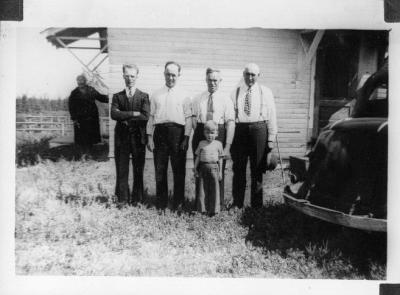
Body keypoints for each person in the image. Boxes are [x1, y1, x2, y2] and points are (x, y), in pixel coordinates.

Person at [230, 63, 278, 209]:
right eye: (247, 74)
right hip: (240, 131)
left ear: (258, 76)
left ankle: (256, 207)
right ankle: (237, 205)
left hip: (259, 130)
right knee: (239, 169)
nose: (250, 78)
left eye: (253, 75)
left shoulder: (265, 92)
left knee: (257, 170)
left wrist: (271, 139)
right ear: (243, 74)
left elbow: (272, 116)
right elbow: (231, 117)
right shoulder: (236, 91)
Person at [146, 61, 192, 210]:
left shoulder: (185, 95)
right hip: (160, 133)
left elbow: (189, 119)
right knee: (160, 169)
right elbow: (151, 117)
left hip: (178, 134)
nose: (170, 78)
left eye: (173, 75)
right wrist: (149, 137)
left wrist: (186, 138)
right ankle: (161, 203)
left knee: (178, 170)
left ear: (179, 75)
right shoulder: (156, 94)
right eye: (168, 74)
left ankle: (178, 203)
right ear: (164, 74)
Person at [191, 68, 235, 210]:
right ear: (206, 79)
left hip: (219, 133)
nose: (212, 83)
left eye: (215, 80)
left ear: (220, 81)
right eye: (210, 79)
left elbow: (230, 123)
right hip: (201, 131)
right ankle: (201, 205)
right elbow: (193, 118)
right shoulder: (198, 98)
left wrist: (227, 146)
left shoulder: (226, 99)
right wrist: (199, 133)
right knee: (200, 168)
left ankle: (217, 205)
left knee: (217, 171)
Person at [111, 64, 150, 205]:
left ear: (137, 77)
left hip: (138, 137)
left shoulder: (144, 96)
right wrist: (134, 113)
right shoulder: (117, 96)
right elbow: (114, 114)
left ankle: (137, 199)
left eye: (132, 76)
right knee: (122, 168)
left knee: (138, 169)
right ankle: (122, 199)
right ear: (123, 76)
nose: (130, 79)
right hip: (121, 138)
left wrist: (124, 116)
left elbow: (145, 116)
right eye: (127, 76)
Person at [68, 74, 109, 155]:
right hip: (80, 119)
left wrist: (111, 98)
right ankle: (83, 155)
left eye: (82, 80)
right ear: (77, 82)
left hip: (91, 118)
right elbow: (71, 107)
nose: (80, 82)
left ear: (85, 81)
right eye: (79, 80)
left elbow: (101, 97)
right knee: (81, 138)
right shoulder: (74, 93)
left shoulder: (91, 90)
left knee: (91, 137)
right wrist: (74, 118)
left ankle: (90, 154)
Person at [193, 120, 224, 216]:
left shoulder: (218, 144)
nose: (210, 135)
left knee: (214, 189)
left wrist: (220, 172)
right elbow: (198, 156)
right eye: (207, 133)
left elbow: (220, 159)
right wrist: (195, 168)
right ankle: (202, 209)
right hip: (203, 167)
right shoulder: (202, 143)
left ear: (217, 133)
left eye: (212, 133)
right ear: (204, 133)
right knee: (202, 189)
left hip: (214, 168)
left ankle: (214, 210)